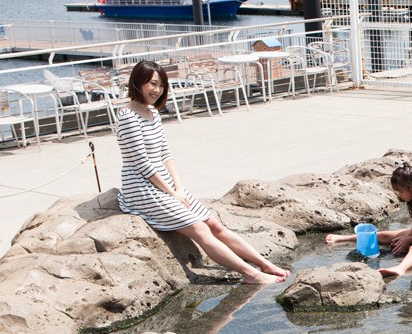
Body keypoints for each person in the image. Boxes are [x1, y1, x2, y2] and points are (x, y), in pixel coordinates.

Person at [116, 61, 289, 285]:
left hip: (164, 184)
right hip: (141, 188)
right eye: (153, 84)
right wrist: (172, 193)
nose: (157, 90)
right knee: (200, 229)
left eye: (161, 85)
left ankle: (264, 264)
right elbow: (142, 163)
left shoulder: (153, 113)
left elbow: (165, 154)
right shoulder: (128, 116)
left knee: (215, 225)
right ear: (138, 82)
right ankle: (251, 274)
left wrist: (179, 187)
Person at [325, 162, 412, 280]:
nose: (399, 195)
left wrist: (409, 240)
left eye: (401, 191)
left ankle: (400, 269)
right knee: (384, 235)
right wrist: (405, 238)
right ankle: (343, 238)